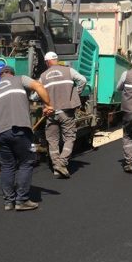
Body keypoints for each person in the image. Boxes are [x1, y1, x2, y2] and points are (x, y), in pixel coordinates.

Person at [0, 65, 54, 211]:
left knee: (7, 166)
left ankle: (8, 201)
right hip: (20, 130)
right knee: (27, 161)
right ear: (12, 73)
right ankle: (22, 200)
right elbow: (38, 85)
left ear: (0, 76)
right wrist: (48, 105)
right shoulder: (19, 79)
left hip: (1, 133)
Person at [39, 51, 87, 179]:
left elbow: (35, 93)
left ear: (47, 62)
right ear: (56, 59)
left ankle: (56, 167)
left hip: (51, 113)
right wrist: (76, 93)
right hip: (67, 112)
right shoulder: (68, 71)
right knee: (69, 137)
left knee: (52, 140)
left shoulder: (43, 76)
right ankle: (62, 163)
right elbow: (83, 80)